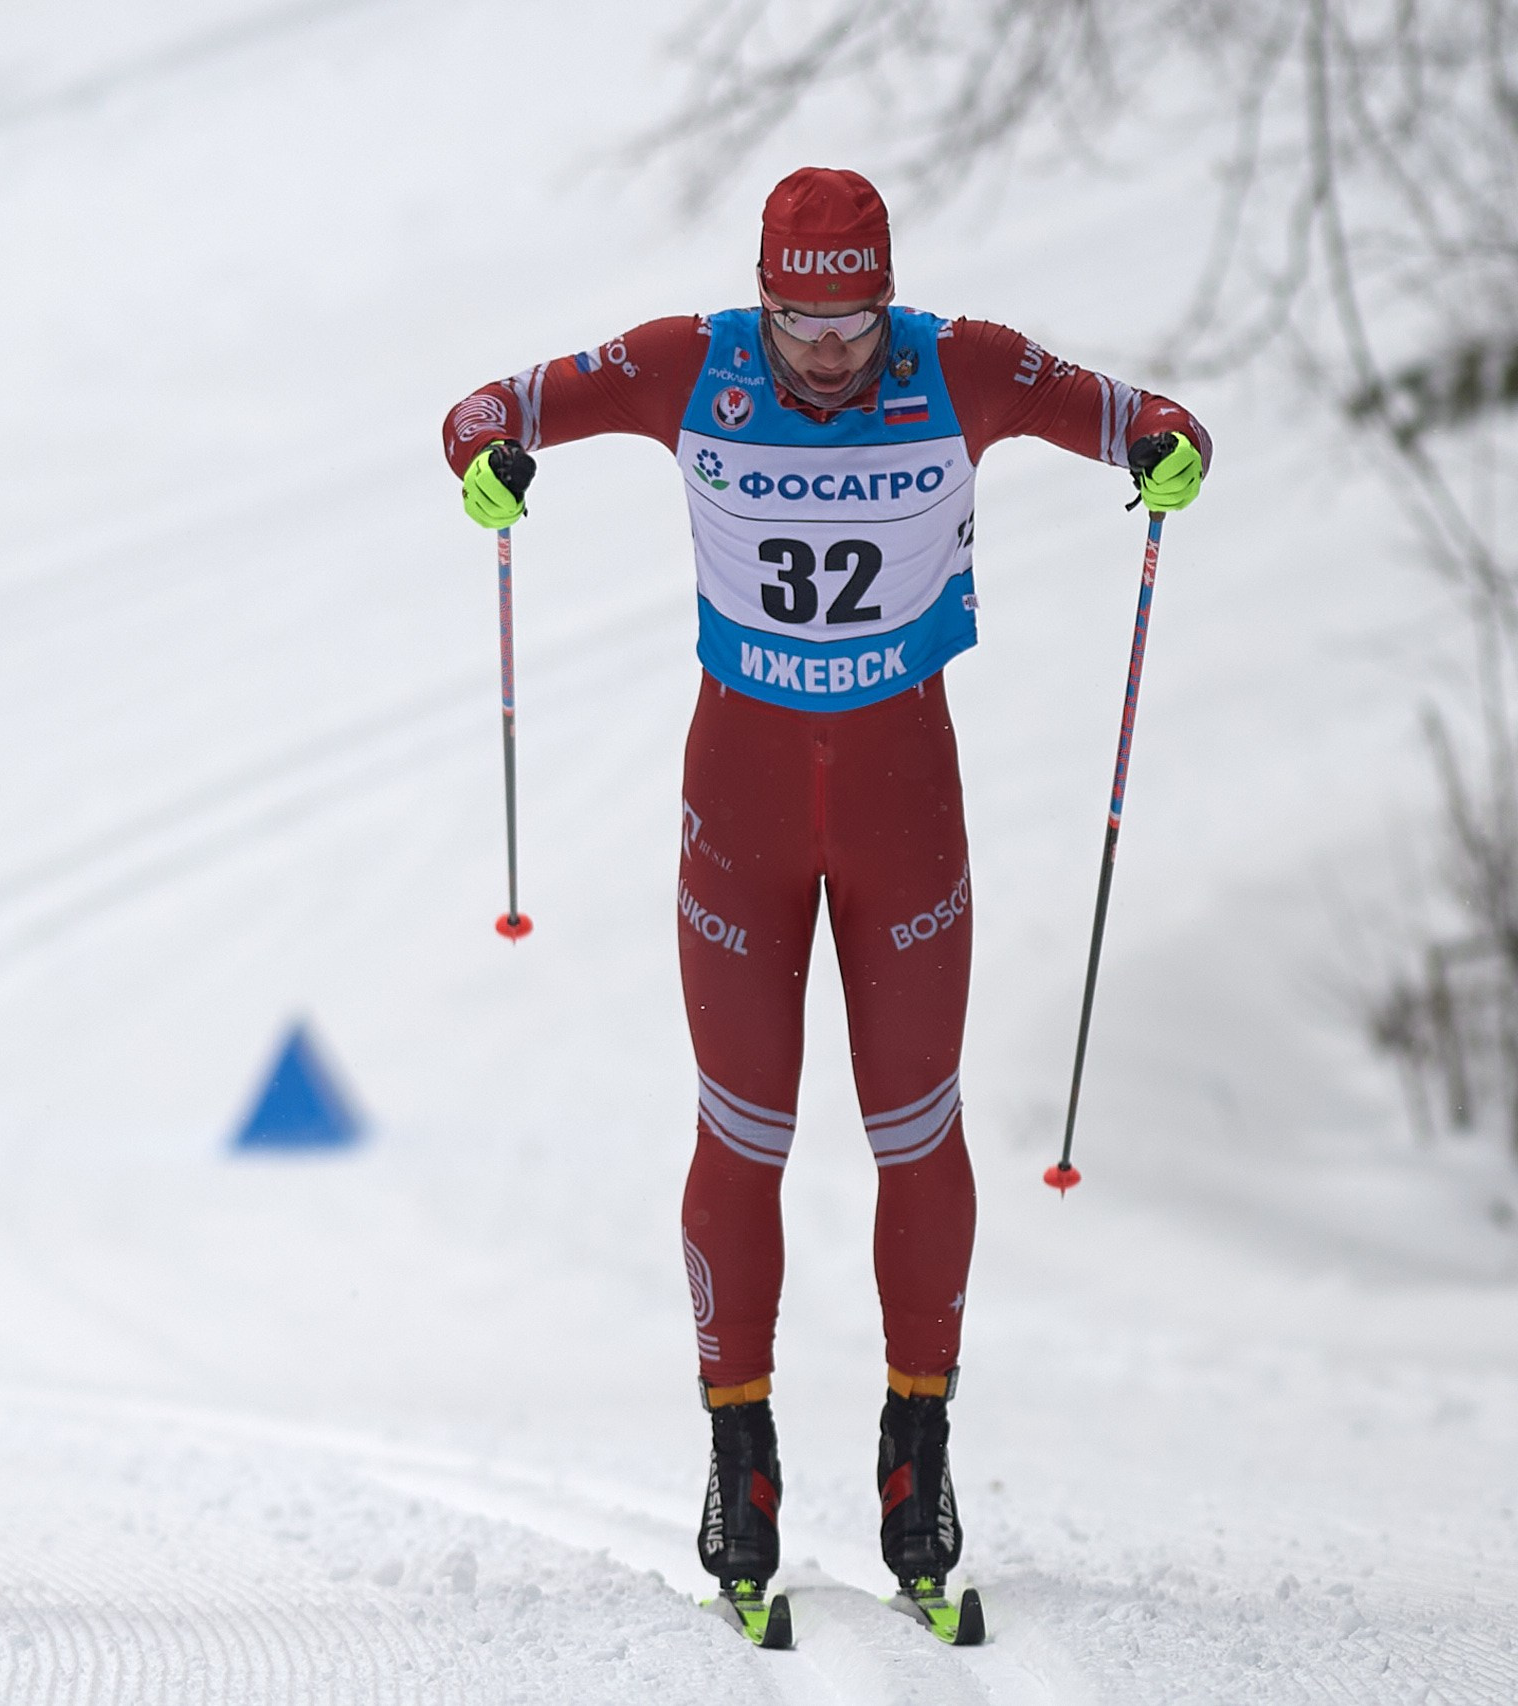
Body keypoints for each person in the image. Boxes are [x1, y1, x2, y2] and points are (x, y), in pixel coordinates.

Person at [439, 167, 1209, 1622]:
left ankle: (917, 1452)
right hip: (737, 811)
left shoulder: (959, 364)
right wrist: (488, 460)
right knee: (746, 1129)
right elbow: (493, 405)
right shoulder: (695, 363)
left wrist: (1166, 445)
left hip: (905, 812)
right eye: (802, 320)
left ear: (890, 298)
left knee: (917, 1128)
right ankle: (743, 1450)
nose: (831, 354)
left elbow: (1135, 416)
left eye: (856, 320)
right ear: (763, 296)